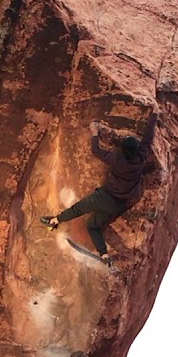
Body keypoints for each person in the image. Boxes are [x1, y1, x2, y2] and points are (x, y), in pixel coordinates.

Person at [41, 112, 159, 266]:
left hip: (105, 197)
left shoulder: (117, 160)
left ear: (123, 151)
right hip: (119, 205)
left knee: (78, 209)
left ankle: (54, 220)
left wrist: (94, 133)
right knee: (93, 226)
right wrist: (154, 115)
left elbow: (96, 150)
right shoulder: (141, 157)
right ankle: (104, 255)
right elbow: (148, 137)